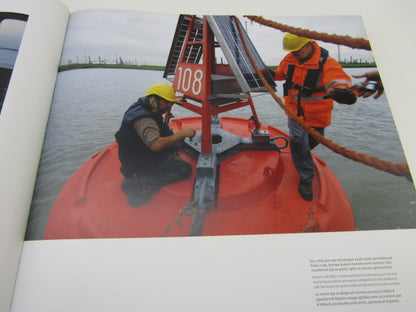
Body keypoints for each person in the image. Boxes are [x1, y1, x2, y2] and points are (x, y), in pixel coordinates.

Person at [271, 33, 357, 201]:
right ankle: (306, 178)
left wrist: (342, 92)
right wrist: (270, 74)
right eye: (291, 51)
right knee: (297, 141)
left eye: (297, 50)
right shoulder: (289, 60)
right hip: (294, 112)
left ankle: (300, 155)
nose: (294, 53)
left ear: (309, 45)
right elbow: (281, 73)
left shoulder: (327, 63)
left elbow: (337, 80)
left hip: (317, 115)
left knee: (310, 143)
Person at [115, 83, 196, 207]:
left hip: (133, 152)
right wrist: (182, 133)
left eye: (171, 103)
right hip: (139, 161)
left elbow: (161, 102)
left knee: (177, 144)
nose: (169, 106)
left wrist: (173, 100)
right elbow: (156, 145)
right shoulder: (145, 121)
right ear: (156, 100)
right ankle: (138, 184)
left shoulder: (143, 105)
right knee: (185, 169)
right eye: (167, 103)